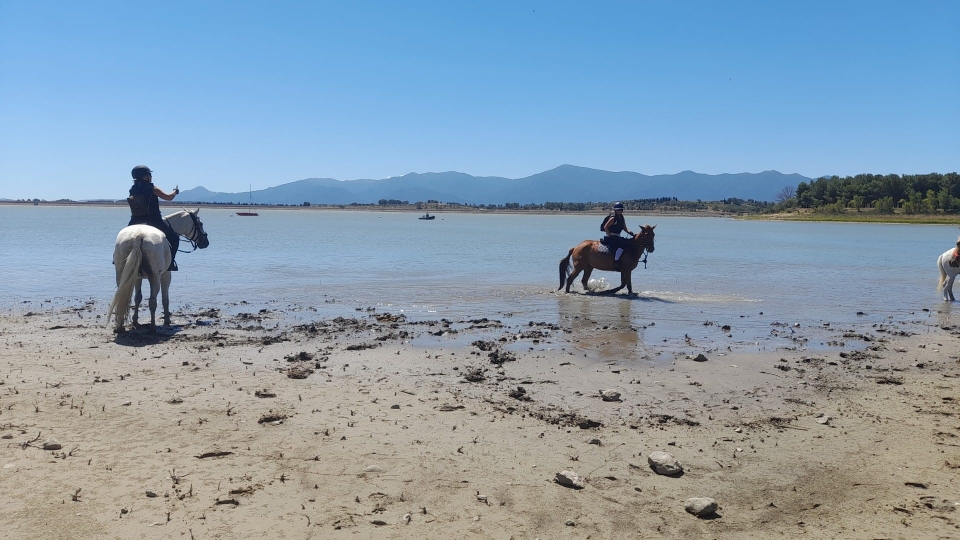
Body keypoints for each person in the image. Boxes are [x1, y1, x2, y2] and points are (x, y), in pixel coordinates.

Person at [127, 165, 181, 271]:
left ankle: (118, 260)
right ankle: (170, 264)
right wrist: (175, 191)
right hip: (153, 220)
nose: (151, 176)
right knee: (175, 239)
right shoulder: (153, 188)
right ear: (145, 176)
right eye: (149, 174)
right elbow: (169, 197)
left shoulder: (132, 189)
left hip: (135, 220)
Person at [602, 201, 635, 270]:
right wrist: (610, 235)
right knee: (622, 246)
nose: (620, 211)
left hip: (617, 236)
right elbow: (605, 227)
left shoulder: (622, 218)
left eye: (621, 210)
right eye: (618, 210)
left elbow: (625, 228)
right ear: (615, 210)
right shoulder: (613, 218)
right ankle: (616, 261)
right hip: (610, 237)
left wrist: (631, 233)